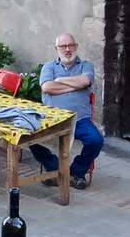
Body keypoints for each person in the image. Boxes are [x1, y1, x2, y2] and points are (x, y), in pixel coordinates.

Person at [28, 33, 104, 189]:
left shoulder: (86, 66)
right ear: (57, 49)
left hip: (79, 119)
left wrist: (59, 80)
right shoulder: (49, 67)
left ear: (76, 46)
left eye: (70, 45)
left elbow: (85, 80)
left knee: (96, 141)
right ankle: (56, 169)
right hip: (52, 118)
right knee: (30, 138)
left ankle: (77, 170)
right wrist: (75, 85)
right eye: (63, 46)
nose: (67, 49)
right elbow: (47, 87)